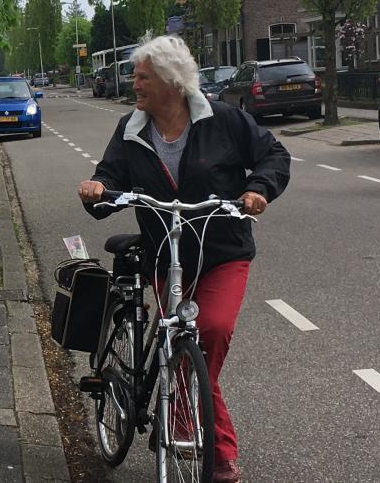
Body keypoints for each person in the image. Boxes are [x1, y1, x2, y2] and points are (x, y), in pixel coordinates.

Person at [77, 35, 290, 483]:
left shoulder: (224, 121)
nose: (133, 83)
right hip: (165, 254)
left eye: (142, 77)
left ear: (171, 82)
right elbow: (110, 176)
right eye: (135, 75)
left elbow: (273, 154)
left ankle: (186, 419)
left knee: (209, 329)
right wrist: (97, 189)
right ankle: (216, 451)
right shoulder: (131, 130)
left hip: (222, 252)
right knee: (176, 339)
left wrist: (258, 189)